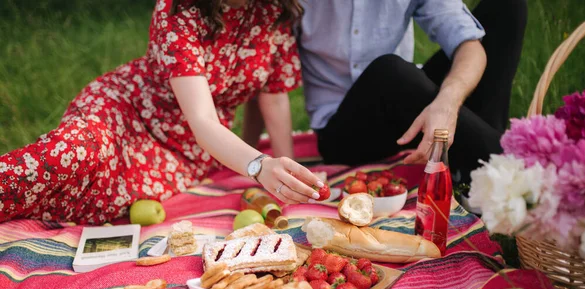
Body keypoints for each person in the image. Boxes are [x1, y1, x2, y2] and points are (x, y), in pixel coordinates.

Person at [0, 0, 324, 225]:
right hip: (127, 112)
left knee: (97, 202)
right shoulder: (180, 10)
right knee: (70, 154)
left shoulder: (273, 9)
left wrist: (290, 181)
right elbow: (202, 119)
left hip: (187, 155)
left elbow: (274, 96)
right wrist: (258, 164)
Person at [244, 0, 527, 185]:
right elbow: (269, 79)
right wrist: (277, 165)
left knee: (506, 8)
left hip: (407, 108)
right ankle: (516, 172)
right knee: (390, 71)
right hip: (345, 134)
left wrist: (447, 102)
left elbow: (469, 45)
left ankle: (475, 166)